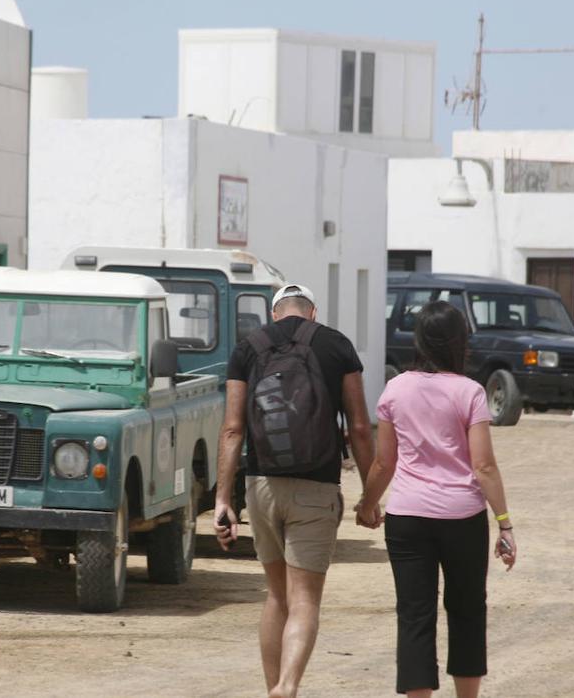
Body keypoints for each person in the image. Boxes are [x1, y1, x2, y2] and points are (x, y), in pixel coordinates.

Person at [214, 283, 376, 698]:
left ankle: (274, 687)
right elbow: (359, 426)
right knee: (304, 599)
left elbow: (232, 429)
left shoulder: (247, 348)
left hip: (261, 485)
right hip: (316, 487)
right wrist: (370, 495)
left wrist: (222, 500)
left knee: (276, 595)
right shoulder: (336, 345)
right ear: (313, 312)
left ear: (274, 313)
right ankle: (287, 686)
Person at [355, 300, 517, 698]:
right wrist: (504, 523)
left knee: (414, 615)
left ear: (419, 341)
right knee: (467, 611)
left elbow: (384, 462)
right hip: (463, 518)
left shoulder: (396, 388)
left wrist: (367, 504)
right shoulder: (470, 392)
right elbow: (484, 466)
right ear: (460, 341)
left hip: (407, 518)